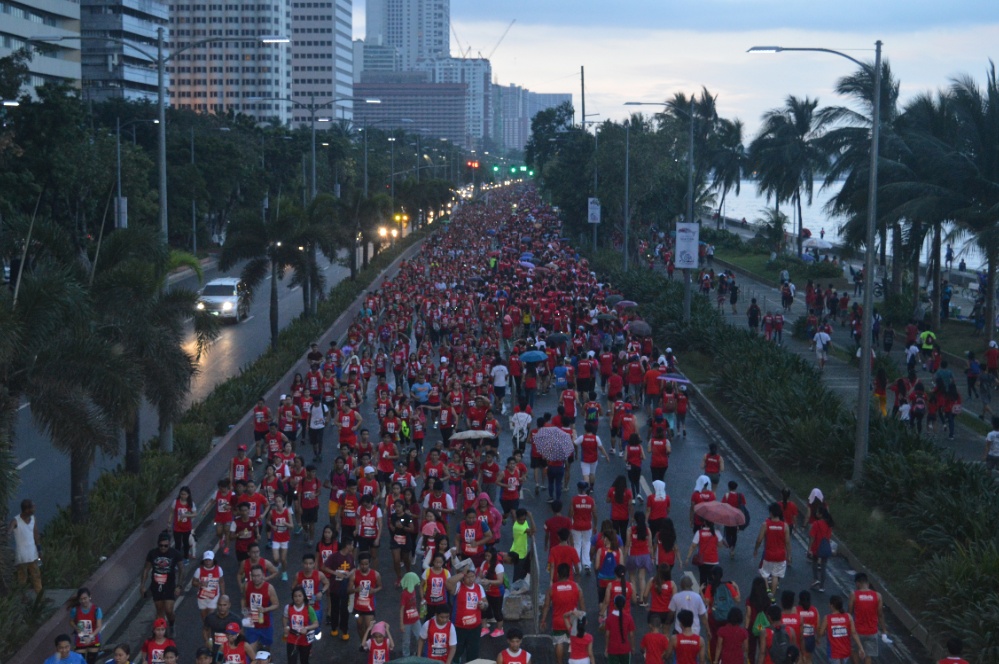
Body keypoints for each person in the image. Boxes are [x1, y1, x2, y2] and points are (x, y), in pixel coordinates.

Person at [540, 563, 584, 664]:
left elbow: (546, 605)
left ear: (558, 574)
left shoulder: (552, 589)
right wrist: (583, 616)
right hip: (573, 620)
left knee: (559, 643)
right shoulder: (576, 586)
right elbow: (582, 602)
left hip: (558, 621)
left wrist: (543, 620)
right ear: (569, 573)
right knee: (573, 642)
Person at [141, 531, 184, 629]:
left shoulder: (175, 554)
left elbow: (181, 569)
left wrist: (179, 585)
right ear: (158, 544)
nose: (163, 548)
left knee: (169, 610)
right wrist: (142, 585)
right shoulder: (152, 553)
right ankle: (161, 633)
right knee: (159, 611)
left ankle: (172, 625)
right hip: (156, 586)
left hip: (169, 586)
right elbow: (146, 569)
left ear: (169, 544)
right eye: (161, 546)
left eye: (166, 546)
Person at [446, 559, 487, 664]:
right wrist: (463, 572)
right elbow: (448, 583)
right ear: (463, 577)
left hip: (475, 628)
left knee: (473, 654)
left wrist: (483, 605)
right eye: (468, 577)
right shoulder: (459, 586)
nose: (471, 579)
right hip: (459, 627)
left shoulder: (479, 588)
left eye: (472, 576)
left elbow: (486, 604)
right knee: (456, 651)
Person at [753, 503, 791, 596]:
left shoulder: (766, 525)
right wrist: (789, 555)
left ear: (771, 513)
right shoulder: (785, 526)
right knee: (775, 576)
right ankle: (772, 596)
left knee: (763, 573)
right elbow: (787, 542)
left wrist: (756, 549)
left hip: (769, 554)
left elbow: (759, 540)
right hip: (781, 555)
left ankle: (767, 590)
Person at [849, 573, 886, 664]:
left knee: (855, 652)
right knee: (868, 656)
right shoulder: (878, 596)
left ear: (858, 583)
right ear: (867, 583)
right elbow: (880, 614)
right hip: (872, 631)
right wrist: (884, 630)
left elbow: (849, 613)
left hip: (857, 631)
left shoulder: (854, 595)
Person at [242, 565, 280, 649]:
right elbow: (244, 599)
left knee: (266, 648)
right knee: (250, 649)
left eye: (258, 575)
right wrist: (244, 611)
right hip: (251, 623)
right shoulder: (247, 586)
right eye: (254, 576)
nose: (256, 578)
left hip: (265, 623)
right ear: (251, 576)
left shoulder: (269, 588)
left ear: (263, 575)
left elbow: (276, 604)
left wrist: (265, 609)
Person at [819, 595, 864, 664]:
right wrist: (861, 647)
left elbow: (821, 633)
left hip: (833, 652)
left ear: (832, 605)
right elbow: (854, 633)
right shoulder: (848, 617)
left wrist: (825, 631)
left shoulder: (827, 618)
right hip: (845, 651)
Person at [349, 552, 383, 640]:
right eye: (362, 564)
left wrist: (374, 590)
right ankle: (363, 643)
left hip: (369, 606)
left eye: (366, 564)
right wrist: (355, 590)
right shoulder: (354, 575)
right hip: (358, 606)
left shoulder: (376, 574)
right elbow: (348, 590)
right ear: (359, 564)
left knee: (370, 627)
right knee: (360, 626)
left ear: (369, 563)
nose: (364, 566)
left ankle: (368, 642)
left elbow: (380, 586)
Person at [283, 586, 319, 664]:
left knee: (304, 661)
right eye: (295, 596)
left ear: (304, 597)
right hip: (292, 639)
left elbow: (316, 624)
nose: (297, 598)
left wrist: (306, 628)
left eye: (300, 596)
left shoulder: (309, 609)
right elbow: (285, 617)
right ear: (292, 597)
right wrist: (285, 626)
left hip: (305, 639)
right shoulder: (288, 607)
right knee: (291, 661)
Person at [601, 594, 636, 664]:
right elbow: (631, 635)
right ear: (624, 605)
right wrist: (632, 647)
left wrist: (606, 647)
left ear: (614, 605)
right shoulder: (629, 618)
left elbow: (607, 635)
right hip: (625, 649)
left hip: (612, 648)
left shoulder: (609, 618)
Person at [193, 551, 225, 619]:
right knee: (204, 618)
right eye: (206, 560)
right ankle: (206, 628)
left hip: (214, 596)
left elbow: (221, 582)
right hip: (202, 597)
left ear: (213, 560)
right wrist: (200, 583)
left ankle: (211, 628)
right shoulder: (199, 570)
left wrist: (223, 595)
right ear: (203, 560)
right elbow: (193, 582)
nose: (208, 562)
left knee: (211, 616)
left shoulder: (219, 569)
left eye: (209, 560)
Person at [808, 508, 834, 592]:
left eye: (817, 512)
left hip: (816, 546)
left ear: (821, 514)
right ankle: (822, 586)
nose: (816, 513)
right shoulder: (829, 524)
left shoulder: (816, 524)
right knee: (824, 566)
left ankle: (816, 579)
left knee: (814, 562)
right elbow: (829, 537)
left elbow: (812, 537)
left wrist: (809, 548)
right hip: (825, 547)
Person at [399, 571, 424, 657]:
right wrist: (401, 623)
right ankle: (405, 656)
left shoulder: (413, 591)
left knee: (420, 637)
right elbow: (402, 609)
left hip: (415, 619)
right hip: (407, 621)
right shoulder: (405, 594)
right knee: (406, 641)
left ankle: (418, 652)